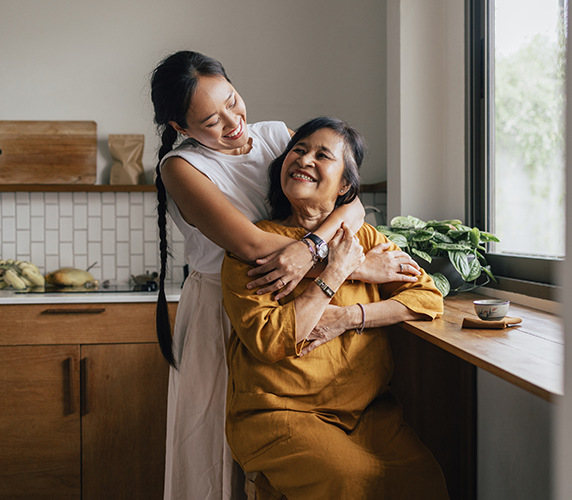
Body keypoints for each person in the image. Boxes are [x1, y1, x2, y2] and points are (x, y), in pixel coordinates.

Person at [150, 51, 422, 500]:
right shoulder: (180, 167)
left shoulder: (277, 135)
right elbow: (252, 247)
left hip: (308, 296)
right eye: (210, 121)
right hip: (229, 308)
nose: (232, 122)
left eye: (232, 101)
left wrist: (327, 255)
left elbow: (348, 201)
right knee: (217, 452)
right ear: (181, 128)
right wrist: (348, 261)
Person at [221, 117, 450, 500]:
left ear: (345, 184)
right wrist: (338, 269)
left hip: (367, 413)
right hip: (279, 414)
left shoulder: (364, 237)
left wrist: (348, 319)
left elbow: (427, 298)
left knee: (426, 480)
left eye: (322, 155)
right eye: (299, 149)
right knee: (350, 482)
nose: (304, 159)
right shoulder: (255, 246)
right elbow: (270, 340)